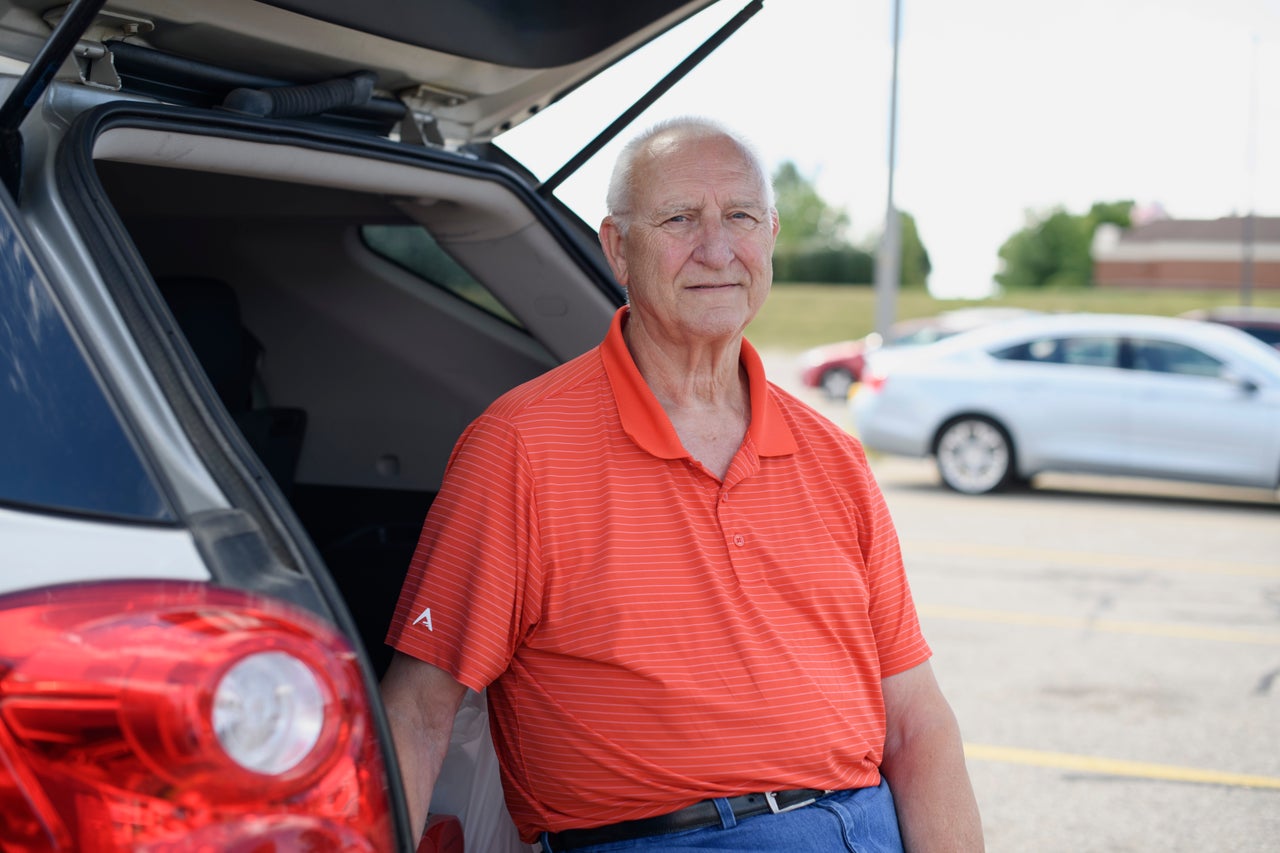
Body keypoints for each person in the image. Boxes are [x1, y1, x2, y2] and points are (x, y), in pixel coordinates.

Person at [380, 116, 984, 852]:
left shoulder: (832, 455)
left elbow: (916, 717)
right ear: (617, 248)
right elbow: (417, 711)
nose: (718, 248)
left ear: (770, 236)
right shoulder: (519, 447)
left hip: (865, 826)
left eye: (741, 217)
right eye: (679, 219)